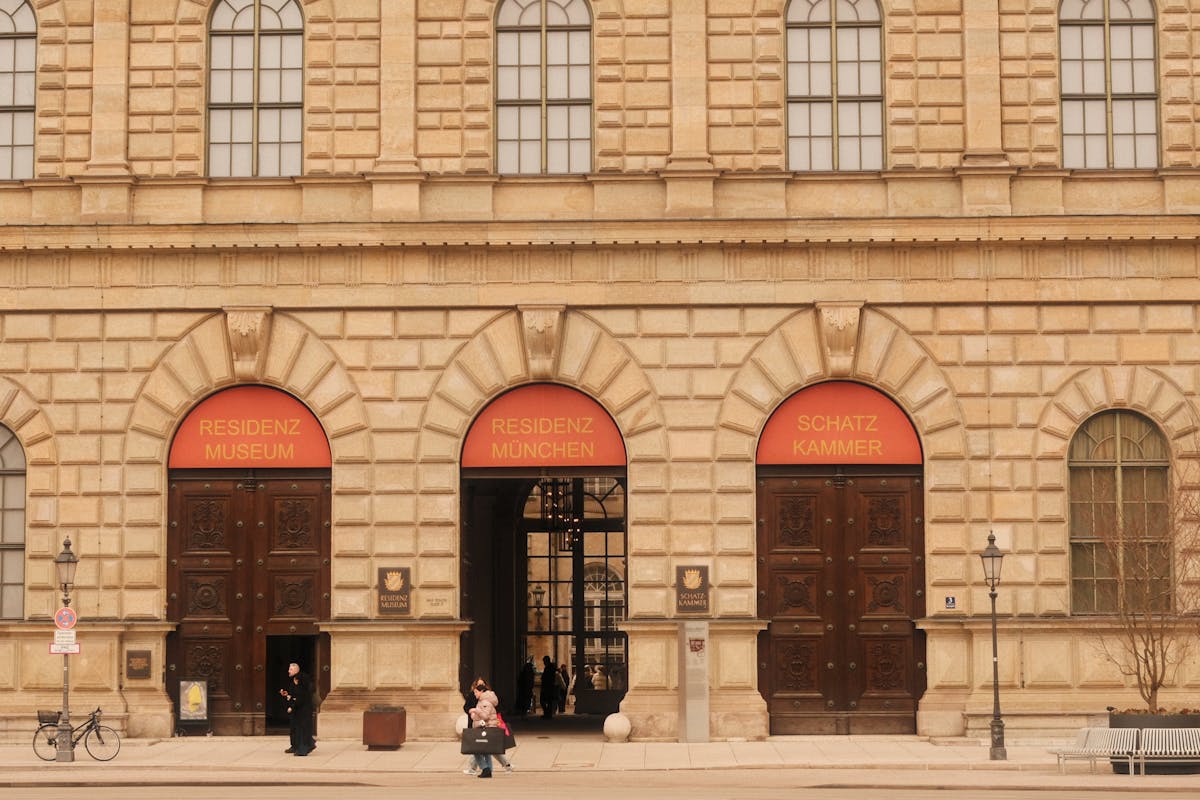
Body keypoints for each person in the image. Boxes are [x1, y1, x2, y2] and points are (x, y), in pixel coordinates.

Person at [462, 678, 513, 775]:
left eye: (476, 692)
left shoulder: (485, 702)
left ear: (481, 691)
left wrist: (475, 711)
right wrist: (474, 715)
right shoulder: (483, 700)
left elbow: (485, 716)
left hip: (487, 728)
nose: (475, 694)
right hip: (485, 728)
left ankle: (484, 769)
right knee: (486, 751)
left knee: (478, 750)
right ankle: (488, 770)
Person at [279, 662, 315, 756]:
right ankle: (295, 746)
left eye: (290, 669)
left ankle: (304, 748)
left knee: (302, 728)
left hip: (304, 709)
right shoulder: (294, 680)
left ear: (296, 670)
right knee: (295, 727)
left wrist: (292, 706)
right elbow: (294, 695)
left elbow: (302, 696)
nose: (288, 671)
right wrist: (287, 695)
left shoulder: (302, 679)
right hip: (298, 709)